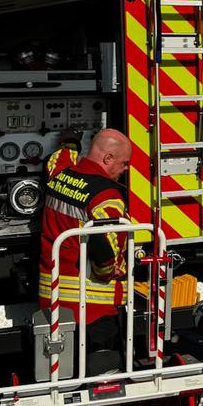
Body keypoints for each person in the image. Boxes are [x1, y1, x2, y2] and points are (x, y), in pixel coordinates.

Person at [38, 127, 133, 373]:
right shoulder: (107, 196)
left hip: (53, 298)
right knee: (100, 378)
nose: (125, 171)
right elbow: (106, 255)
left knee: (60, 371)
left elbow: (58, 158)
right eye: (123, 164)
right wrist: (111, 274)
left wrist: (71, 140)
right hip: (92, 309)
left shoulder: (59, 174)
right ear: (108, 158)